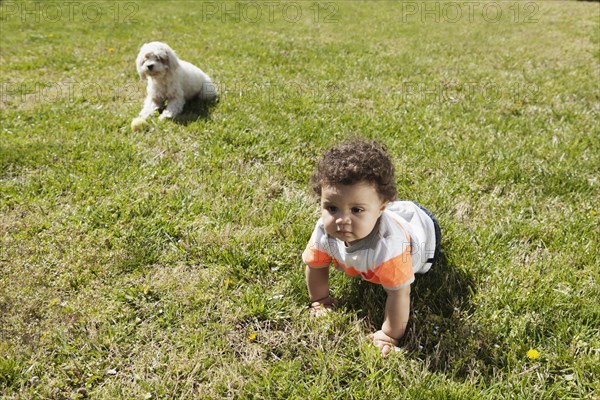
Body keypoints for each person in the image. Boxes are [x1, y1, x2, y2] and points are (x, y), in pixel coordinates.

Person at [302, 140, 441, 356]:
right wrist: (320, 300)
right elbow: (316, 265)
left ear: (381, 209)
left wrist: (389, 335)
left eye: (356, 210)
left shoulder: (390, 249)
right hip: (392, 213)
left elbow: (399, 294)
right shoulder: (324, 230)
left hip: (423, 230)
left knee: (401, 275)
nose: (342, 220)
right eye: (332, 208)